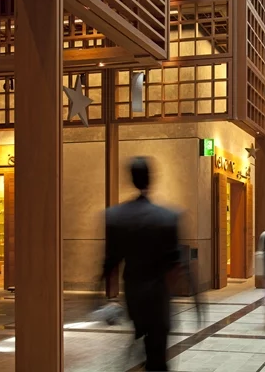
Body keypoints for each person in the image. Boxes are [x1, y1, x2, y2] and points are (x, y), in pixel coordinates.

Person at [103, 158, 180, 371]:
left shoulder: (115, 216)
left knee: (143, 340)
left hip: (134, 295)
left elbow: (110, 263)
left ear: (131, 178)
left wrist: (105, 299)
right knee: (157, 354)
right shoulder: (167, 216)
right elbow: (175, 265)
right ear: (150, 179)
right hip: (158, 296)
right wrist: (169, 295)